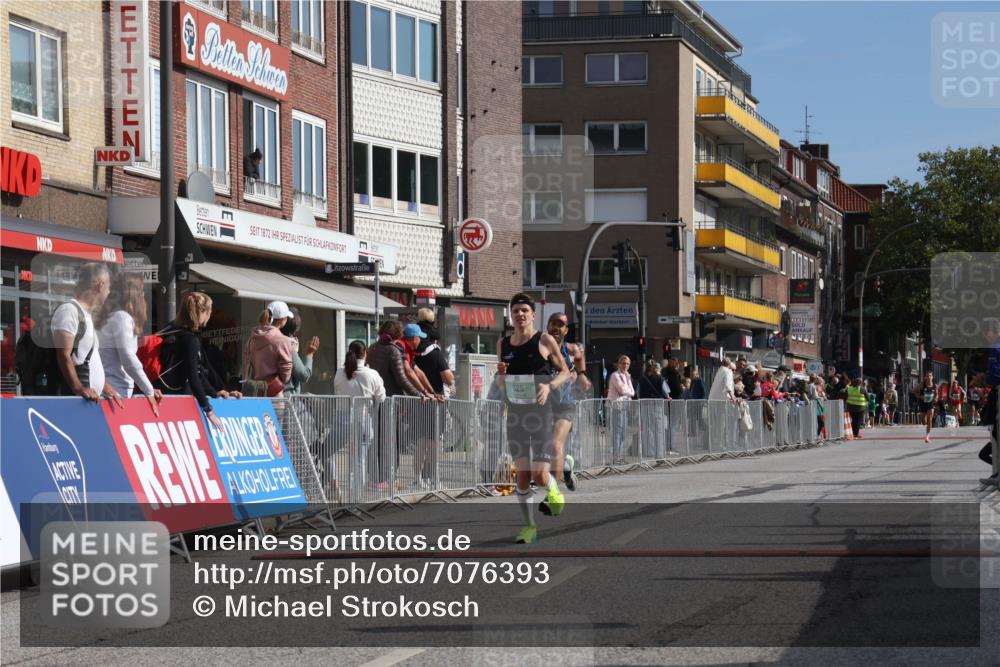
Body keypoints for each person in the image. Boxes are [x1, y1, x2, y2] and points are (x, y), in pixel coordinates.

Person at [497, 292, 570, 544]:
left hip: (539, 413)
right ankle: (529, 527)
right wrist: (501, 375)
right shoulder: (503, 344)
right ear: (511, 314)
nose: (519, 315)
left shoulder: (545, 340)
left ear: (532, 315)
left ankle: (553, 489)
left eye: (524, 311)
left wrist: (549, 386)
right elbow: (501, 383)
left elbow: (565, 372)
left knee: (539, 475)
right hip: (515, 414)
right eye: (515, 310)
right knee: (522, 474)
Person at [157, 292, 238, 430]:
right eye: (209, 311)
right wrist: (208, 409)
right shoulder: (190, 339)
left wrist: (215, 392)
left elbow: (200, 372)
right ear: (202, 311)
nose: (210, 316)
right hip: (179, 402)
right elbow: (194, 376)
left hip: (165, 398)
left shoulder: (173, 331)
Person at [50, 262, 122, 405]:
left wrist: (104, 387)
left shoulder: (86, 315)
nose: (108, 293)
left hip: (89, 400)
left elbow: (85, 358)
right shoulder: (69, 311)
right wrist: (79, 388)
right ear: (100, 285)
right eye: (108, 288)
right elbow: (63, 355)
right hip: (76, 402)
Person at [96, 272, 162, 415]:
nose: (144, 296)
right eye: (142, 291)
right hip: (115, 392)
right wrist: (148, 390)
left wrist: (147, 387)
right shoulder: (122, 318)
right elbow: (128, 357)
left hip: (111, 390)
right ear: (134, 294)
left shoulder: (111, 316)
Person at [545, 312, 590, 494]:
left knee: (555, 444)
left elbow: (579, 356)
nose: (556, 327)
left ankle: (553, 495)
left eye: (560, 324)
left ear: (566, 330)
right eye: (553, 323)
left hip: (565, 404)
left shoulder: (571, 349)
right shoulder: (541, 347)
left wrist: (582, 375)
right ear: (547, 326)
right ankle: (567, 464)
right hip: (543, 404)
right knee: (549, 447)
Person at [413, 321, 454, 489]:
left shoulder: (413, 355)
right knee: (435, 442)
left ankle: (417, 477)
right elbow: (448, 378)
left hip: (418, 400)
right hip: (436, 400)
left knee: (421, 442)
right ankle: (434, 478)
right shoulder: (435, 353)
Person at [244, 301, 293, 398]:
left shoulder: (252, 338)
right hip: (273, 392)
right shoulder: (283, 340)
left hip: (254, 392)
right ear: (282, 320)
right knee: (273, 414)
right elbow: (286, 374)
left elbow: (247, 362)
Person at [280, 306, 320, 395]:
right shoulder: (287, 344)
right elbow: (304, 375)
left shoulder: (268, 340)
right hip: (286, 399)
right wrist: (310, 353)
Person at [606, 354, 635, 465]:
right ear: (619, 364)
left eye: (627, 363)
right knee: (617, 432)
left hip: (625, 407)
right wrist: (628, 392)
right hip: (616, 407)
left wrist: (628, 392)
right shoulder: (615, 375)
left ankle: (620, 456)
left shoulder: (627, 376)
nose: (625, 365)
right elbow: (623, 390)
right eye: (623, 363)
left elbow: (632, 392)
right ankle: (615, 457)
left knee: (623, 432)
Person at [845, 375, 867, 439]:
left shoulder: (850, 388)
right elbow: (868, 398)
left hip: (851, 407)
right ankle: (856, 434)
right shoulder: (862, 389)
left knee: (854, 420)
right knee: (858, 421)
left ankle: (853, 433)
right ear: (861, 383)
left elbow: (845, 395)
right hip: (860, 408)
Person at [917, 372, 937, 443]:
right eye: (927, 376)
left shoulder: (934, 385)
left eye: (930, 375)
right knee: (924, 421)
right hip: (923, 403)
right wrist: (920, 396)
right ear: (925, 377)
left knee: (929, 420)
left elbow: (936, 394)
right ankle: (926, 430)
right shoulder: (922, 385)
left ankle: (927, 437)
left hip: (930, 404)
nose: (929, 377)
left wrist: (935, 398)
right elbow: (914, 391)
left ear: (932, 377)